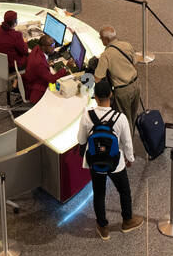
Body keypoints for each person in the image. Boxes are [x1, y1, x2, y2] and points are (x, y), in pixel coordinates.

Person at [76, 77, 140, 240]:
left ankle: (103, 227)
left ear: (95, 97)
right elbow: (127, 142)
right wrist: (130, 158)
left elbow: (81, 140)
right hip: (116, 163)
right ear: (111, 95)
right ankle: (127, 221)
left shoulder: (87, 116)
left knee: (99, 193)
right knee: (124, 191)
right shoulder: (120, 118)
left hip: (95, 163)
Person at [94, 26, 142, 129]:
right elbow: (135, 62)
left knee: (124, 119)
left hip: (122, 91)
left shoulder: (106, 55)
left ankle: (126, 143)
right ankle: (131, 136)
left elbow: (98, 78)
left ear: (105, 40)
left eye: (101, 38)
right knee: (133, 115)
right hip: (136, 84)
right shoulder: (127, 45)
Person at [22, 33, 68, 105]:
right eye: (52, 45)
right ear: (43, 47)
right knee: (61, 91)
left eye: (54, 44)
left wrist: (47, 64)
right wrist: (66, 68)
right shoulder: (39, 63)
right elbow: (51, 79)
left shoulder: (37, 48)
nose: (54, 47)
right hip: (36, 88)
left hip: (31, 80)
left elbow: (40, 67)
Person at [0, 9, 30, 75]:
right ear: (15, 22)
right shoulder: (16, 35)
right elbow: (25, 51)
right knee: (34, 57)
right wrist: (24, 42)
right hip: (14, 66)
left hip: (2, 63)